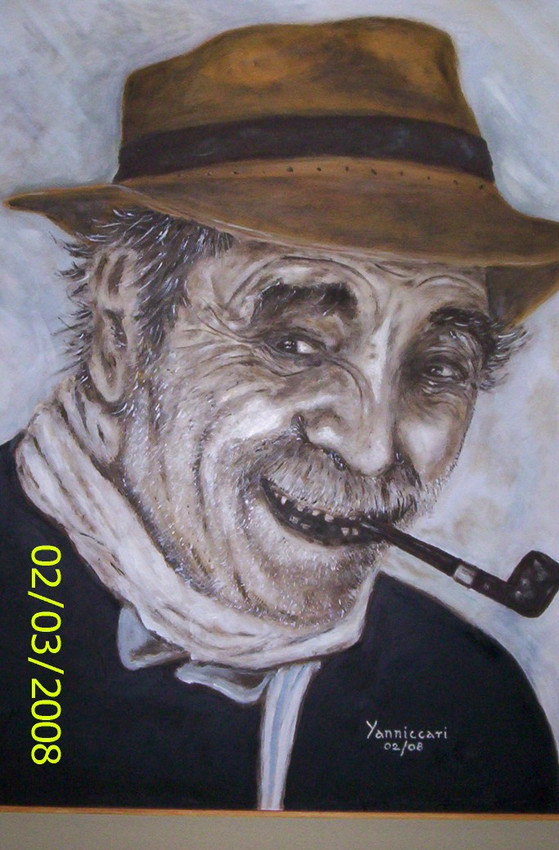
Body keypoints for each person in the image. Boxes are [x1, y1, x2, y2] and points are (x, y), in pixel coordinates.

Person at [1, 17, 559, 812]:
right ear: (122, 322)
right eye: (295, 343)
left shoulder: (470, 703)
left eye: (435, 369)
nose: (369, 449)